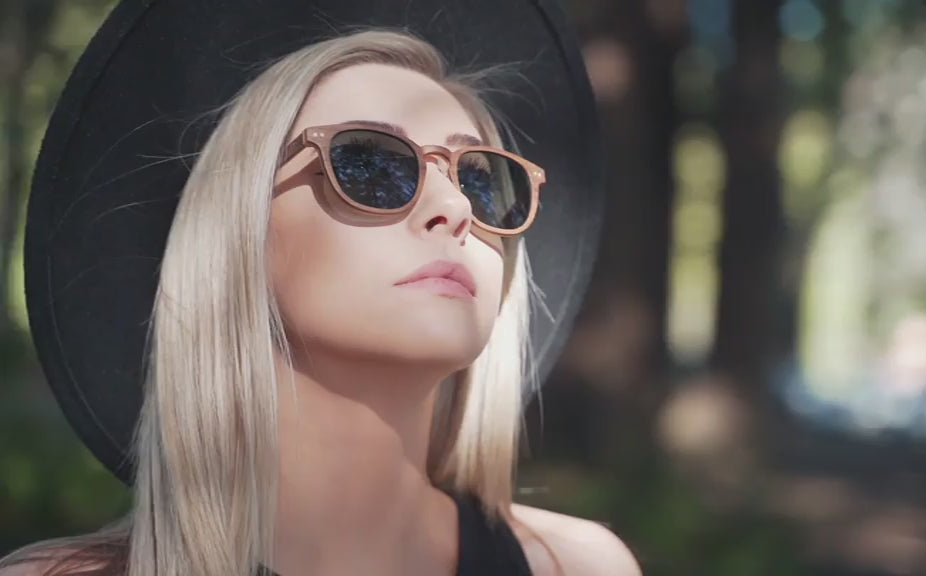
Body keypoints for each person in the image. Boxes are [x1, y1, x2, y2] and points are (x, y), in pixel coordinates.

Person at [0, 1, 641, 575]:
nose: (452, 206)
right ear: (238, 230)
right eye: (374, 163)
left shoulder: (574, 568)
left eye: (480, 179)